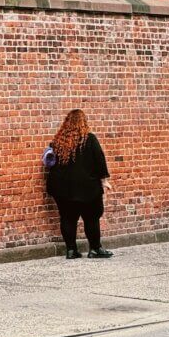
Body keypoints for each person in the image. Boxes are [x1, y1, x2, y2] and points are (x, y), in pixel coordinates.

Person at [46, 109, 114, 260]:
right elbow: (99, 161)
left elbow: (51, 164)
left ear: (66, 123)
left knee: (67, 218)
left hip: (62, 188)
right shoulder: (89, 139)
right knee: (91, 218)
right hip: (87, 187)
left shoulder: (58, 142)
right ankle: (95, 249)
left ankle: (71, 250)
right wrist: (104, 181)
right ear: (83, 122)